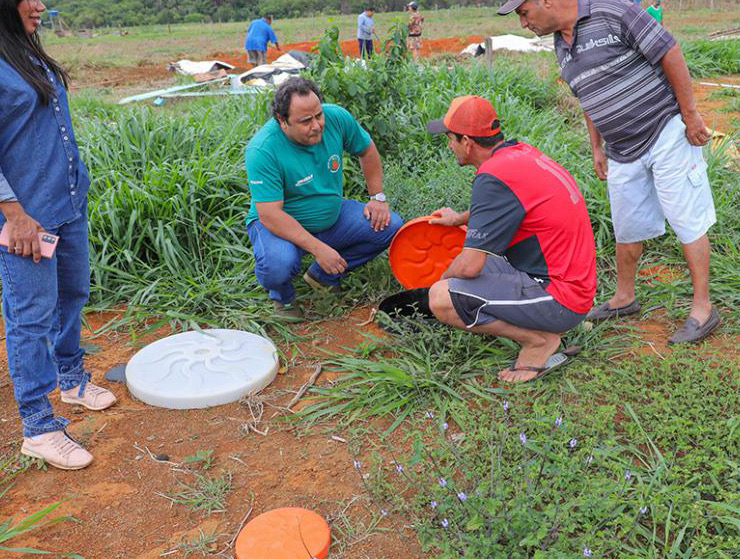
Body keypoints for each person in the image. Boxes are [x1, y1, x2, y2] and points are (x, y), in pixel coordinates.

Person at [0, 0, 115, 470]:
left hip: (63, 199)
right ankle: (38, 425)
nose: (42, 5)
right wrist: (16, 216)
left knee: (72, 292)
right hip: (22, 217)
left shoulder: (12, 43)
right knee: (31, 315)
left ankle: (71, 379)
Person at [499, 0, 719, 344]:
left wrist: (691, 116)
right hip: (621, 149)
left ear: (545, 1)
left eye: (523, 13)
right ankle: (624, 298)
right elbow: (588, 95)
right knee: (627, 224)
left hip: (665, 132)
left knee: (686, 218)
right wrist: (596, 147)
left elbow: (669, 50)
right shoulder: (561, 43)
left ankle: (703, 308)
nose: (524, 24)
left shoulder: (612, 11)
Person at [426, 96, 596, 383]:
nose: (448, 145)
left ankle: (538, 340)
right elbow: (510, 203)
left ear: (467, 142)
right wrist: (459, 220)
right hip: (574, 283)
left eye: (450, 139)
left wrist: (442, 282)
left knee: (441, 298)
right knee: (481, 259)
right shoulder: (519, 155)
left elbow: (469, 268)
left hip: (563, 299)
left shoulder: (491, 177)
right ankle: (538, 324)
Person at [245, 77, 402, 317]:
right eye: (305, 121)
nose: (317, 125)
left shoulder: (337, 118)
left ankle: (322, 275)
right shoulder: (263, 150)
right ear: (282, 121)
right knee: (276, 265)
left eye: (318, 115)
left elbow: (367, 149)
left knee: (390, 225)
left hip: (331, 216)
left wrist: (377, 197)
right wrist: (319, 248)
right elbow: (271, 215)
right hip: (279, 225)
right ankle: (283, 298)